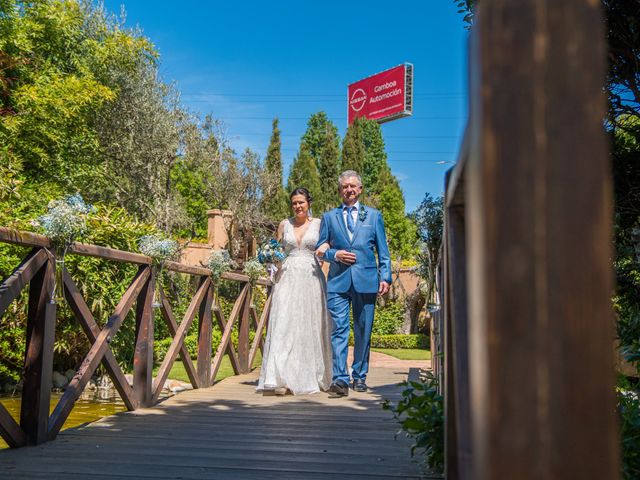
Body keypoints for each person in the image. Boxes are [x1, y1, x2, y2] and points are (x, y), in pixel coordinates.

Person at [315, 170, 392, 397]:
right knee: (338, 329)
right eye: (344, 186)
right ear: (340, 191)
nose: (349, 190)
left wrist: (385, 277)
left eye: (353, 186)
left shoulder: (374, 216)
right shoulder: (329, 217)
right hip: (338, 282)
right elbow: (321, 249)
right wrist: (335, 255)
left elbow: (383, 252)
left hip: (367, 280)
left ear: (360, 189)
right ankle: (340, 379)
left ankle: (359, 376)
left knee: (363, 331)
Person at [257, 188, 333, 395]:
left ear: (309, 202)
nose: (298, 206)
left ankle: (311, 375)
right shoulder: (284, 224)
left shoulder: (320, 224)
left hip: (311, 278)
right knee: (284, 323)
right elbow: (277, 251)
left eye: (301, 202)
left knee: (309, 324)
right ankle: (280, 378)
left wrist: (324, 258)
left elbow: (327, 247)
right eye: (294, 203)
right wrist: (270, 262)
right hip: (287, 277)